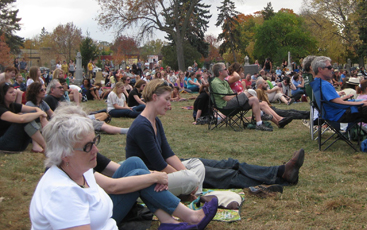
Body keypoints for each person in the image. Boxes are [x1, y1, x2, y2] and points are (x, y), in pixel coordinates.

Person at [30, 111, 218, 230]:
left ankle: (171, 221)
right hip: (107, 217)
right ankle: (186, 218)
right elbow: (113, 188)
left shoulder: (78, 168)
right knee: (139, 175)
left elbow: (113, 181)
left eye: (95, 142)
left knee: (134, 163)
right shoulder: (62, 193)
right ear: (65, 154)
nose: (95, 150)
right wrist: (152, 178)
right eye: (88, 146)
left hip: (106, 216)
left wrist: (151, 176)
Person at [126, 79, 306, 192]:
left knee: (229, 164)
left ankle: (280, 171)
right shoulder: (142, 126)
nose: (169, 104)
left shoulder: (154, 122)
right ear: (155, 97)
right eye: (167, 99)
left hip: (164, 172)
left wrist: (184, 171)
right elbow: (159, 165)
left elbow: (169, 155)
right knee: (224, 175)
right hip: (154, 181)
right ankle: (278, 178)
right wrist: (188, 178)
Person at [311, 56, 367, 151]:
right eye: (329, 67)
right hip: (339, 115)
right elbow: (338, 102)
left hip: (334, 114)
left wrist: (362, 102)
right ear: (320, 69)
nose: (332, 69)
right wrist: (361, 103)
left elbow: (334, 102)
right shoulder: (324, 84)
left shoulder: (317, 83)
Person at [211, 63, 272, 132]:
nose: (227, 70)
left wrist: (238, 95)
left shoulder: (224, 82)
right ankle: (261, 113)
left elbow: (232, 94)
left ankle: (259, 124)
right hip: (225, 107)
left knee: (254, 100)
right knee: (250, 91)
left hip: (232, 103)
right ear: (220, 72)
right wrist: (239, 95)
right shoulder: (216, 82)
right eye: (225, 69)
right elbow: (226, 98)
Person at [0, 82, 47, 152]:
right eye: (10, 92)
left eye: (14, 91)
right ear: (3, 95)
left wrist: (38, 110)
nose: (14, 94)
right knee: (24, 118)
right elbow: (21, 119)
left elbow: (32, 109)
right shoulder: (1, 109)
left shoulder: (12, 105)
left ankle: (37, 145)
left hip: (17, 143)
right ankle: (45, 146)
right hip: (3, 144)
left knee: (32, 115)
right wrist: (40, 113)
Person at [24, 82, 54, 153]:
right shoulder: (29, 104)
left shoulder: (42, 103)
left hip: (41, 129)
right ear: (35, 92)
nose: (44, 91)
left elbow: (52, 114)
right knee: (41, 117)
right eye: (41, 90)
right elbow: (30, 122)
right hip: (33, 133)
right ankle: (36, 145)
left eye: (45, 89)